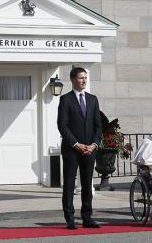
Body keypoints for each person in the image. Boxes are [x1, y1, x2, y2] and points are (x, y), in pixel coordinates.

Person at [57, 67, 102, 230]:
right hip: (71, 150)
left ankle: (87, 217)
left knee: (87, 184)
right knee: (69, 184)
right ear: (72, 79)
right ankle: (70, 218)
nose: (84, 80)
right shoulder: (65, 100)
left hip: (90, 149)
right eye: (81, 78)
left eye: (85, 78)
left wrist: (94, 144)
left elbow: (98, 125)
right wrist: (76, 144)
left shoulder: (93, 99)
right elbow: (62, 125)